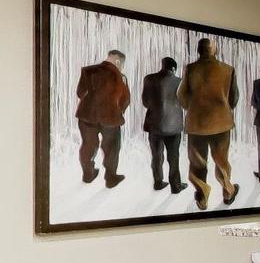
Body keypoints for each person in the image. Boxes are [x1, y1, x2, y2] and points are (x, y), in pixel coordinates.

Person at [177, 36, 240, 210]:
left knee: (197, 163)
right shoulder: (228, 69)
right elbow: (234, 98)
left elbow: (181, 96)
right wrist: (224, 108)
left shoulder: (190, 69)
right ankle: (228, 192)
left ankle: (203, 195)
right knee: (222, 160)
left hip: (197, 123)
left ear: (199, 51)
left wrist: (194, 108)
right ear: (215, 50)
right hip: (221, 122)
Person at [75, 49, 130, 188]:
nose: (121, 67)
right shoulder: (120, 76)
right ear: (117, 61)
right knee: (111, 148)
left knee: (88, 145)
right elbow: (125, 100)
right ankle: (111, 178)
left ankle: (88, 174)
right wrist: (118, 110)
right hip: (110, 118)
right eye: (121, 64)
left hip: (87, 116)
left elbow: (80, 93)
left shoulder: (87, 70)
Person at [141, 56, 187, 194]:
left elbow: (145, 102)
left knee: (156, 156)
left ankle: (158, 182)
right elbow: (185, 104)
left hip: (154, 125)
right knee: (173, 158)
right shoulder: (180, 82)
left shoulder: (149, 79)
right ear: (173, 68)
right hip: (173, 127)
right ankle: (175, 186)